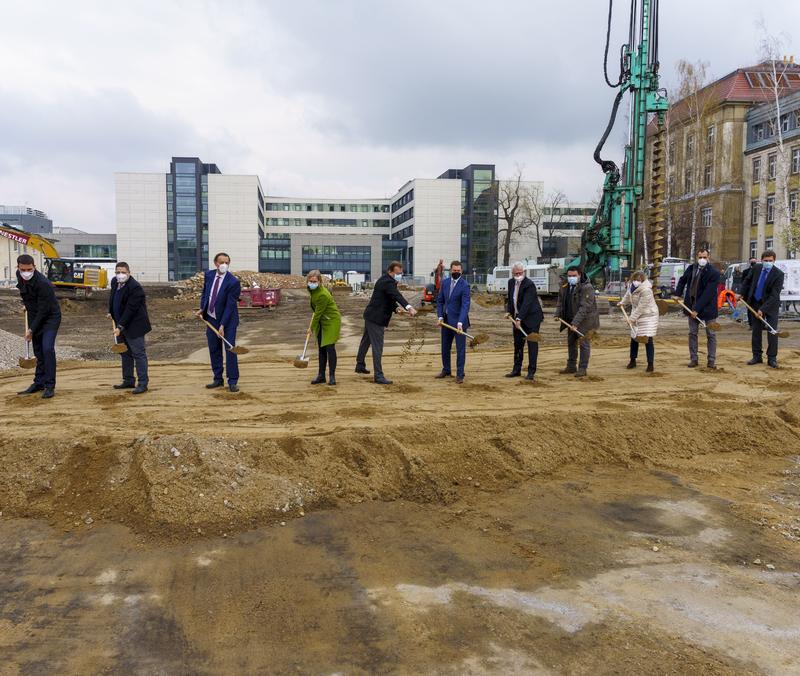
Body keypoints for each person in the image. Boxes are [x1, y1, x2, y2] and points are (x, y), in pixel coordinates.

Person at [355, 261, 416, 384]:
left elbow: (388, 297)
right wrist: (409, 307)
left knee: (366, 341)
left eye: (400, 273)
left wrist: (396, 308)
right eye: (398, 273)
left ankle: (360, 365)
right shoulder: (388, 282)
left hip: (371, 315)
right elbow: (396, 295)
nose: (399, 275)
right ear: (390, 271)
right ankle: (378, 375)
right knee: (377, 347)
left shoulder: (384, 280)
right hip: (376, 318)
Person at [15, 254, 61, 399]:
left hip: (50, 317)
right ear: (18, 268)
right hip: (34, 314)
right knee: (39, 351)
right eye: (23, 269)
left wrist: (31, 329)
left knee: (47, 349)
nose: (26, 272)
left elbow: (44, 310)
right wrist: (26, 306)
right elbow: (27, 295)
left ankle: (49, 385)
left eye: (29, 269)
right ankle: (39, 383)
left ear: (34, 266)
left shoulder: (43, 284)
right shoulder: (19, 275)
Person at [197, 252, 241, 392]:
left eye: (227, 263)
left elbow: (230, 305)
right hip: (211, 318)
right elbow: (206, 294)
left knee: (230, 349)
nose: (224, 265)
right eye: (221, 262)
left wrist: (222, 324)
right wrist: (202, 309)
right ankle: (217, 379)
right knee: (214, 349)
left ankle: (232, 381)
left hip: (228, 321)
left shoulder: (233, 282)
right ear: (215, 263)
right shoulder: (209, 275)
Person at [107, 262, 151, 394]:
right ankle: (128, 380)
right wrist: (111, 312)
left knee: (138, 354)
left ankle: (143, 383)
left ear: (129, 273)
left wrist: (120, 326)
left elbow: (131, 309)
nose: (120, 274)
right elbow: (113, 298)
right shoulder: (115, 282)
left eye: (123, 272)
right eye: (117, 272)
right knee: (125, 353)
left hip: (134, 326)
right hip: (120, 324)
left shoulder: (135, 288)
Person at [674, 248, 721, 369]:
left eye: (704, 257)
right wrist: (677, 293)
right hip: (691, 306)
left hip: (708, 308)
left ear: (708, 258)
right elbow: (683, 280)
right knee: (693, 333)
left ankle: (711, 360)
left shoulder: (714, 273)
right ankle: (693, 359)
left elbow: (708, 293)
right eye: (700, 257)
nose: (702, 260)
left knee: (711, 334)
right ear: (697, 257)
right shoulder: (691, 268)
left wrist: (697, 309)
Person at [738, 249, 784, 368]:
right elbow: (747, 281)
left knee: (772, 331)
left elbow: (775, 295)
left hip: (770, 305)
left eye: (770, 261)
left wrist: (763, 309)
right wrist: (741, 293)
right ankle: (757, 356)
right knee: (756, 331)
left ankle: (772, 358)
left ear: (774, 261)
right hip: (755, 303)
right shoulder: (756, 268)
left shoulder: (778, 274)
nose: (768, 262)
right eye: (765, 260)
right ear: (761, 260)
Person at [554, 266, 599, 378]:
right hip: (570, 318)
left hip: (585, 320)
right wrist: (557, 313)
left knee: (583, 344)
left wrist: (575, 323)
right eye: (569, 276)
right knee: (571, 342)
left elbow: (585, 307)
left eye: (574, 276)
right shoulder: (565, 285)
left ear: (579, 275)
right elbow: (560, 301)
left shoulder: (587, 287)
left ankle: (582, 368)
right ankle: (571, 366)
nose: (571, 278)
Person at [505, 262, 543, 380]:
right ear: (512, 273)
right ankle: (516, 369)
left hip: (532, 319)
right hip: (517, 319)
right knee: (518, 344)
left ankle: (531, 371)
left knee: (532, 344)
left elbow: (527, 303)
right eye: (516, 273)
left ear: (524, 272)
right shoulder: (511, 282)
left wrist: (519, 318)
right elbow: (511, 300)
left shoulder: (529, 284)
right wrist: (509, 312)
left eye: (520, 273)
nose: (518, 275)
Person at [436, 260, 471, 384]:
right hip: (445, 321)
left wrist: (460, 322)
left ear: (461, 271)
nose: (456, 272)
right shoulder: (445, 283)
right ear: (450, 270)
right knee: (445, 347)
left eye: (458, 271)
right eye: (454, 270)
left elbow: (465, 306)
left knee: (460, 349)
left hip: (459, 323)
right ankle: (446, 370)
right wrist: (440, 316)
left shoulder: (465, 285)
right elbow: (440, 301)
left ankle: (460, 374)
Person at [618, 270, 659, 372]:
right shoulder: (631, 286)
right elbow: (628, 295)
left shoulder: (646, 290)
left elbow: (641, 307)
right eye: (635, 279)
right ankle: (632, 360)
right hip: (637, 313)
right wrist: (622, 302)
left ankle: (650, 364)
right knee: (634, 337)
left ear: (643, 280)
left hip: (649, 315)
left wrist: (632, 319)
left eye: (639, 280)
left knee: (647, 338)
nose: (636, 281)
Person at [306, 270, 341, 386]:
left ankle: (332, 376)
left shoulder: (322, 294)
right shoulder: (312, 290)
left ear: (320, 281)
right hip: (322, 321)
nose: (312, 283)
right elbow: (316, 311)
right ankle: (321, 376)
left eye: (314, 281)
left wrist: (311, 328)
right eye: (310, 281)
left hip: (331, 321)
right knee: (321, 348)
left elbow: (318, 313)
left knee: (330, 347)